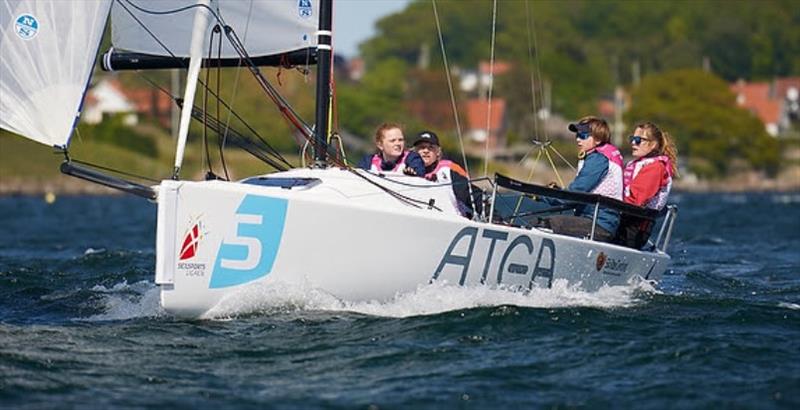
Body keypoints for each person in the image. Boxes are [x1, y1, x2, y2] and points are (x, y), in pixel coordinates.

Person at [542, 116, 623, 242]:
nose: (578, 139)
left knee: (546, 224)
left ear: (598, 139)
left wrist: (542, 195)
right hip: (594, 219)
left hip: (600, 224)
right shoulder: (596, 156)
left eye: (584, 136)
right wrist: (556, 192)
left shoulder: (599, 159)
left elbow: (577, 192)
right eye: (577, 135)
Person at [615, 121, 678, 248]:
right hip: (624, 222)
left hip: (634, 230)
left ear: (653, 144)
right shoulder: (640, 164)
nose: (633, 143)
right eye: (632, 139)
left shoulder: (655, 168)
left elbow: (637, 200)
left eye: (638, 140)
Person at [412, 130, 478, 217]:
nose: (426, 151)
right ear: (414, 151)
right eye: (422, 147)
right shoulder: (407, 171)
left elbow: (471, 194)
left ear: (438, 152)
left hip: (453, 219)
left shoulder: (449, 170)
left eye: (431, 147)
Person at [357, 122, 425, 176]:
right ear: (380, 145)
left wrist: (413, 175)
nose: (398, 143)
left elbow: (419, 174)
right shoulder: (368, 162)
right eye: (392, 141)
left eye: (400, 140)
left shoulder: (412, 159)